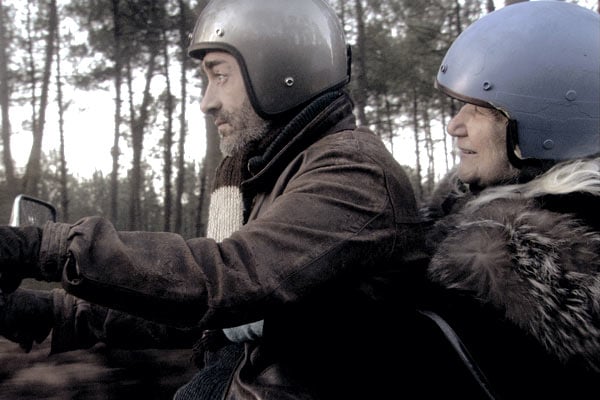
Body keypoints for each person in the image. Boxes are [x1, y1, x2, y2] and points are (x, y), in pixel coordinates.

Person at [0, 0, 423, 398]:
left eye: (219, 75)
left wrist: (43, 248)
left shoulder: (355, 175)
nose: (207, 101)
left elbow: (228, 278)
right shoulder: (268, 173)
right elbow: (210, 317)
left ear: (278, 71)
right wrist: (52, 313)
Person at [418, 1, 600, 398]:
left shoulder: (496, 280)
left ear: (545, 123)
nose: (454, 125)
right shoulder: (463, 211)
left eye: (481, 109)